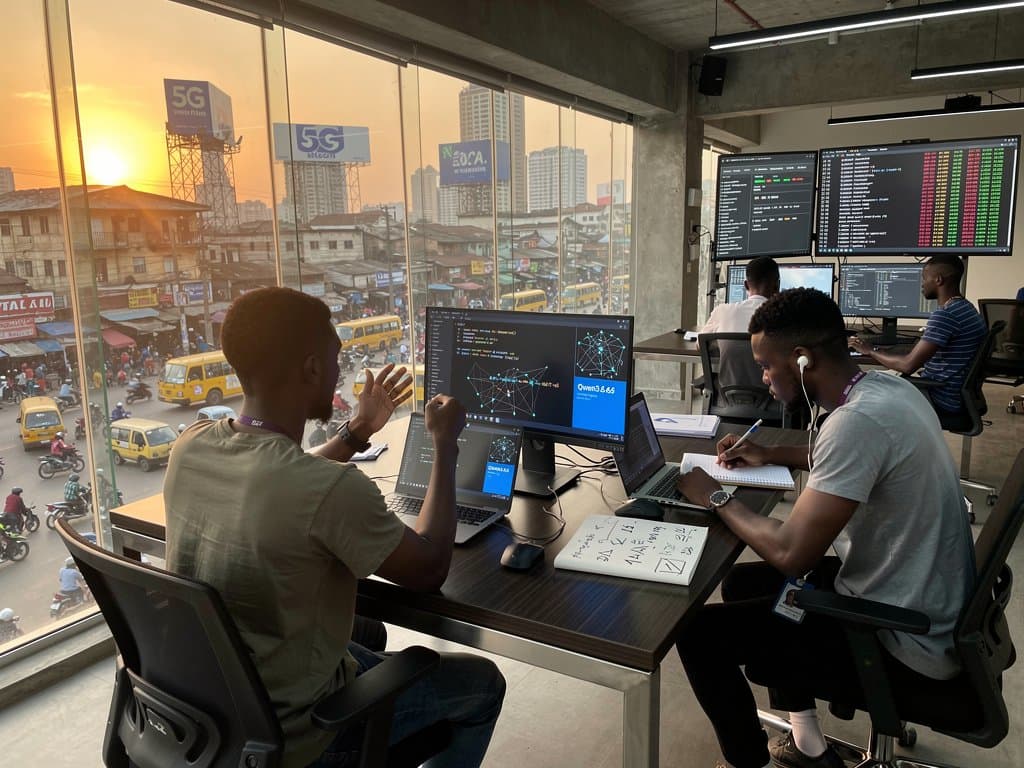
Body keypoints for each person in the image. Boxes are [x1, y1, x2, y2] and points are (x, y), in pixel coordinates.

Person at [164, 287, 505, 768]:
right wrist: (445, 445)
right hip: (303, 735)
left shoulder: (190, 446)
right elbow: (430, 567)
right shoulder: (330, 490)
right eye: (335, 357)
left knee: (367, 629)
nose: (340, 371)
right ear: (311, 369)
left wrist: (356, 432)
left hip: (215, 709)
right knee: (483, 684)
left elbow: (280, 477)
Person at [675, 288, 974, 768]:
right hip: (922, 594)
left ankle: (746, 762)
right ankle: (807, 743)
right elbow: (855, 458)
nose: (763, 377)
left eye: (766, 365)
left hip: (898, 631)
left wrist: (714, 495)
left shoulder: (855, 423)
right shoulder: (886, 390)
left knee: (698, 636)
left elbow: (794, 553)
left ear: (800, 359)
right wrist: (772, 454)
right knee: (743, 581)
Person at [849, 254, 986, 427]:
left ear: (938, 280)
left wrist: (871, 350)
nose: (922, 284)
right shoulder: (965, 308)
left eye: (924, 278)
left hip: (939, 398)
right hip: (954, 395)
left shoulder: (945, 315)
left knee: (861, 393)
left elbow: (908, 365)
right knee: (875, 382)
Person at [700, 257, 780, 335]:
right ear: (777, 285)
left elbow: (700, 342)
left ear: (746, 285)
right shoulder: (784, 318)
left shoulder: (722, 311)